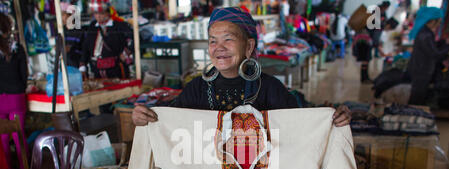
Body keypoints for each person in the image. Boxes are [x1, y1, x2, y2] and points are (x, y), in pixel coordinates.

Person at [132, 7, 351, 127]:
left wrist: (333, 119)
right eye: (212, 40)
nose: (219, 48)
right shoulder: (196, 89)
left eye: (228, 39)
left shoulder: (269, 89)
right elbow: (167, 120)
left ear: (249, 46)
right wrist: (144, 118)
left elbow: (303, 124)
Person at [0, 12, 28, 169]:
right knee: (19, 135)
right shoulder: (17, 48)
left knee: (2, 137)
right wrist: (21, 88)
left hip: (0, 99)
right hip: (16, 97)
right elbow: (24, 74)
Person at [79, 0, 133, 79]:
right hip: (96, 70)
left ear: (108, 13)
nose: (98, 16)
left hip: (116, 69)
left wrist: (125, 53)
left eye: (101, 13)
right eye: (96, 13)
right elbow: (86, 46)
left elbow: (133, 40)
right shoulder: (92, 26)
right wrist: (82, 64)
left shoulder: (119, 25)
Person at [407, 6, 449, 106]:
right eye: (439, 20)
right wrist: (448, 46)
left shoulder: (426, 33)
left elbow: (433, 47)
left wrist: (443, 42)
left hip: (422, 70)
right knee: (417, 99)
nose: (440, 23)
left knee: (419, 98)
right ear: (432, 21)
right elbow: (435, 54)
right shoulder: (425, 35)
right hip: (421, 71)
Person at [60, 2, 85, 68]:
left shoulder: (80, 31)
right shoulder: (61, 31)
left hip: (77, 66)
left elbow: (85, 50)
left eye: (63, 15)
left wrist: (71, 48)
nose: (61, 17)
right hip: (64, 66)